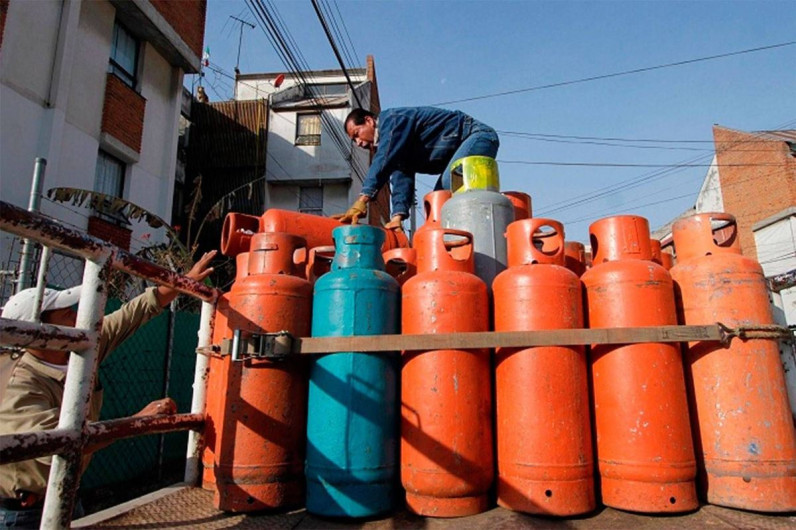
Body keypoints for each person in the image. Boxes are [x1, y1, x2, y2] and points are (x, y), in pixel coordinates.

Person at [0, 250, 216, 527]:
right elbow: (68, 438)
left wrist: (179, 283)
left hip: (65, 493)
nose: (78, 315)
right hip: (23, 511)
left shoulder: (81, 349)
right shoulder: (21, 384)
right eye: (67, 313)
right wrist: (139, 420)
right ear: (41, 331)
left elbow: (131, 314)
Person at [339, 107, 499, 228]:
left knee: (442, 194)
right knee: (439, 198)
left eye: (357, 134)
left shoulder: (392, 121)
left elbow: (383, 159)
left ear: (368, 121)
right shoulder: (397, 148)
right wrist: (397, 217)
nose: (358, 142)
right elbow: (401, 178)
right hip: (466, 143)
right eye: (354, 140)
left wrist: (362, 199)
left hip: (478, 136)